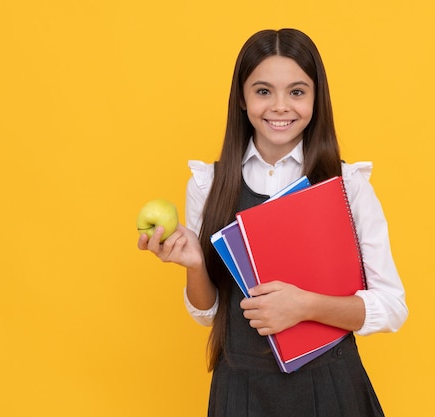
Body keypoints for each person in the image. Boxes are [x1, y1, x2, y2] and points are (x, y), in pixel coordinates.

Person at [138, 28, 408, 417]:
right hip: (241, 390)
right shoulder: (208, 184)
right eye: (263, 91)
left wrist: (306, 306)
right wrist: (195, 265)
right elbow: (208, 313)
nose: (280, 106)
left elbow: (391, 305)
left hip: (332, 390)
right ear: (242, 100)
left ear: (316, 99)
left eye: (297, 92)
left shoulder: (348, 186)